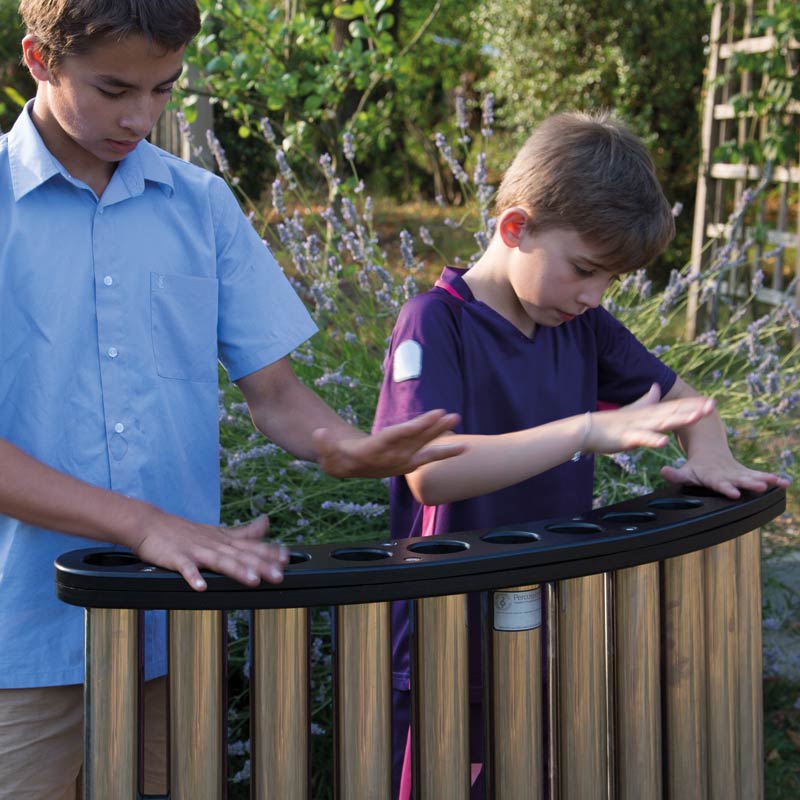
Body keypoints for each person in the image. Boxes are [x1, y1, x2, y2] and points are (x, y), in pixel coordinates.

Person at [0, 1, 467, 797]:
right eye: (114, 89)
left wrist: (340, 447)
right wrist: (148, 525)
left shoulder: (202, 204)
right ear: (38, 59)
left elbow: (277, 393)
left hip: (173, 633)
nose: (141, 117)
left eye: (163, 89)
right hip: (20, 637)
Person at [372, 111, 790, 799]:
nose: (595, 295)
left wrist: (710, 456)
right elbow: (433, 473)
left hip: (545, 629)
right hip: (448, 643)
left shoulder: (582, 325)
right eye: (585, 270)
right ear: (517, 228)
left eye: (611, 281)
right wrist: (582, 432)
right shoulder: (433, 322)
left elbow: (692, 405)